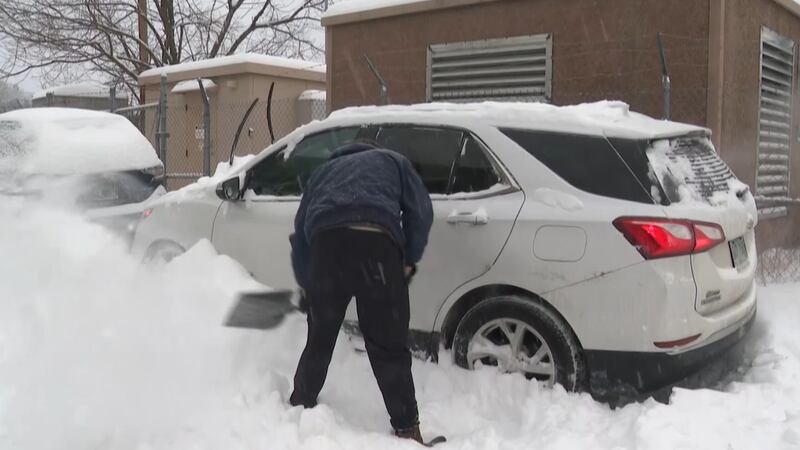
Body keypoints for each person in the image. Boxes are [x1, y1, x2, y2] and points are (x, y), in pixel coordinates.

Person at [288, 140, 435, 444]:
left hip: (326, 249)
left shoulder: (323, 172)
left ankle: (300, 405)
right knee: (388, 346)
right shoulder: (393, 160)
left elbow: (300, 234)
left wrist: (309, 284)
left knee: (319, 338)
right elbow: (421, 213)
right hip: (376, 247)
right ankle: (408, 429)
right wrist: (408, 257)